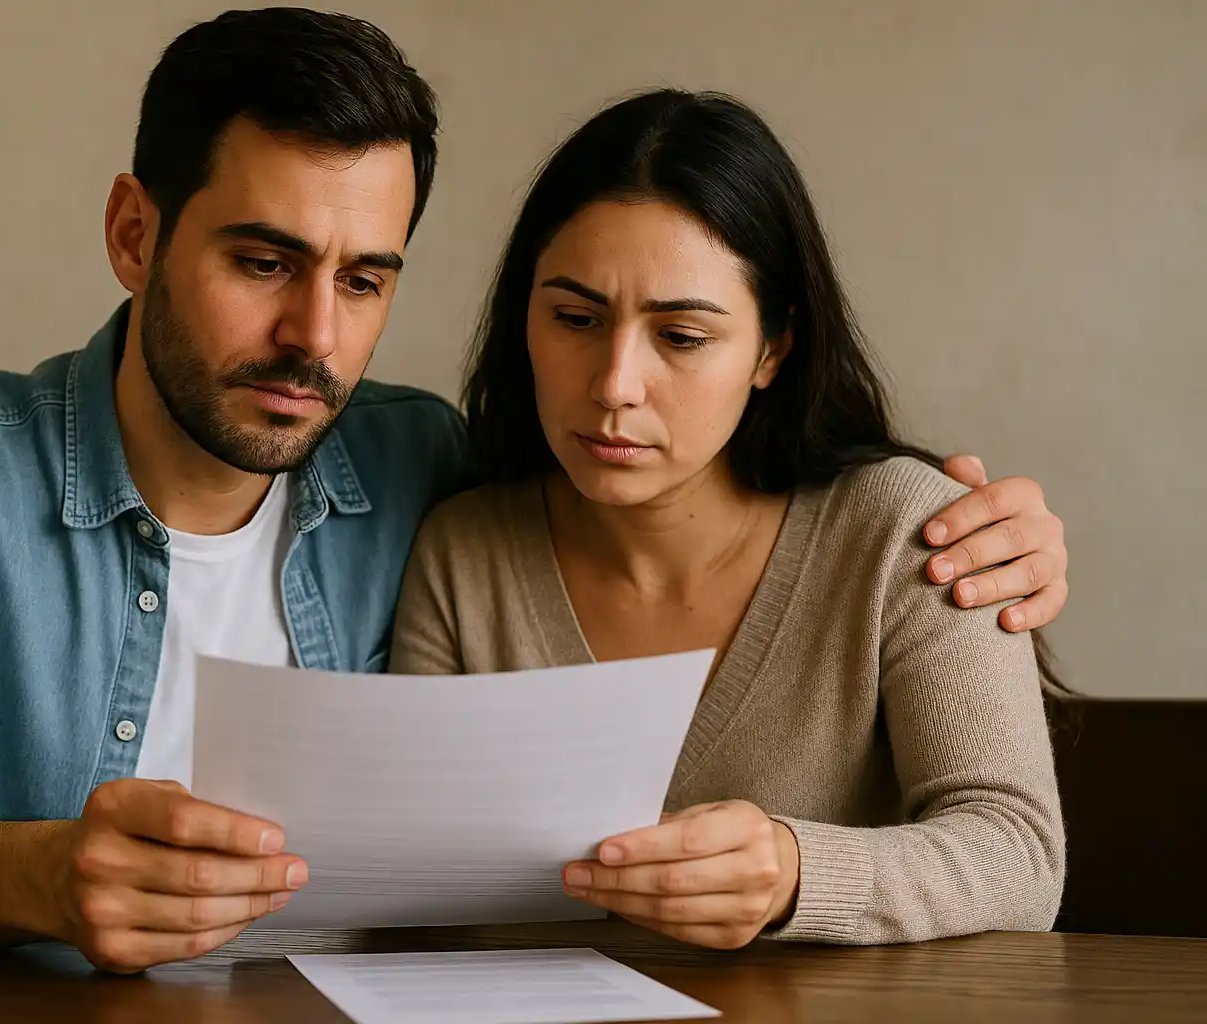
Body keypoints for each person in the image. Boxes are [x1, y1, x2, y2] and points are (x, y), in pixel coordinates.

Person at [0, 9, 1069, 973]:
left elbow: (676, 487)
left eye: (365, 279)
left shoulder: (420, 463)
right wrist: (36, 872)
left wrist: (992, 529)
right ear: (135, 232)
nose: (315, 336)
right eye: (263, 261)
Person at [391, 88, 1066, 949]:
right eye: (575, 318)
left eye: (681, 337)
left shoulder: (908, 536)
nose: (614, 384)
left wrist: (793, 873)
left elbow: (1020, 857)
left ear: (773, 348)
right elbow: (420, 889)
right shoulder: (464, 551)